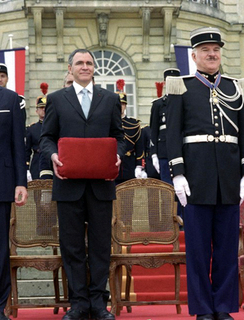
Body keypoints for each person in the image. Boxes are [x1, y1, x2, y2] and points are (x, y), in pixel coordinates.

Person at [165, 27, 244, 320]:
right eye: (205, 50)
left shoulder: (235, 87)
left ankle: (223, 306)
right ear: (194, 55)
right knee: (199, 251)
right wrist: (177, 173)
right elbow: (172, 134)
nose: (212, 54)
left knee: (227, 248)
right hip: (196, 177)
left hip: (228, 178)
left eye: (215, 49)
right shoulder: (181, 86)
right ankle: (203, 308)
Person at [40, 48, 126, 320]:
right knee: (72, 245)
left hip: (101, 185)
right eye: (80, 63)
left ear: (94, 68)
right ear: (71, 68)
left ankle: (99, 304)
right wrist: (53, 155)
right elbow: (46, 138)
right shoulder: (56, 99)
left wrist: (117, 154)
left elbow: (120, 137)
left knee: (101, 245)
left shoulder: (110, 99)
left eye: (89, 63)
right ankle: (78, 304)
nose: (85, 67)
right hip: (68, 184)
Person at [0, 85, 28, 320]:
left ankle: (0, 306)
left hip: (2, 182)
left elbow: (18, 143)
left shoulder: (10, 99)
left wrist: (21, 182)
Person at [150, 68, 180, 183]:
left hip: (183, 150)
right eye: (169, 80)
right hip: (164, 151)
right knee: (167, 187)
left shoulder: (186, 102)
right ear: (164, 82)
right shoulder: (158, 104)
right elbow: (154, 130)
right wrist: (154, 154)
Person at [115, 91, 146, 183]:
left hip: (129, 165)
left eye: (123, 104)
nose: (121, 106)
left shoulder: (134, 124)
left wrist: (139, 166)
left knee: (129, 195)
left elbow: (139, 147)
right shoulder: (108, 123)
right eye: (119, 104)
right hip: (114, 163)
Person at [25, 95, 47, 180]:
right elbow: (27, 151)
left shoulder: (55, 127)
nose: (44, 110)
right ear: (37, 111)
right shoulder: (32, 129)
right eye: (41, 107)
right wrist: (26, 168)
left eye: (46, 107)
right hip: (36, 163)